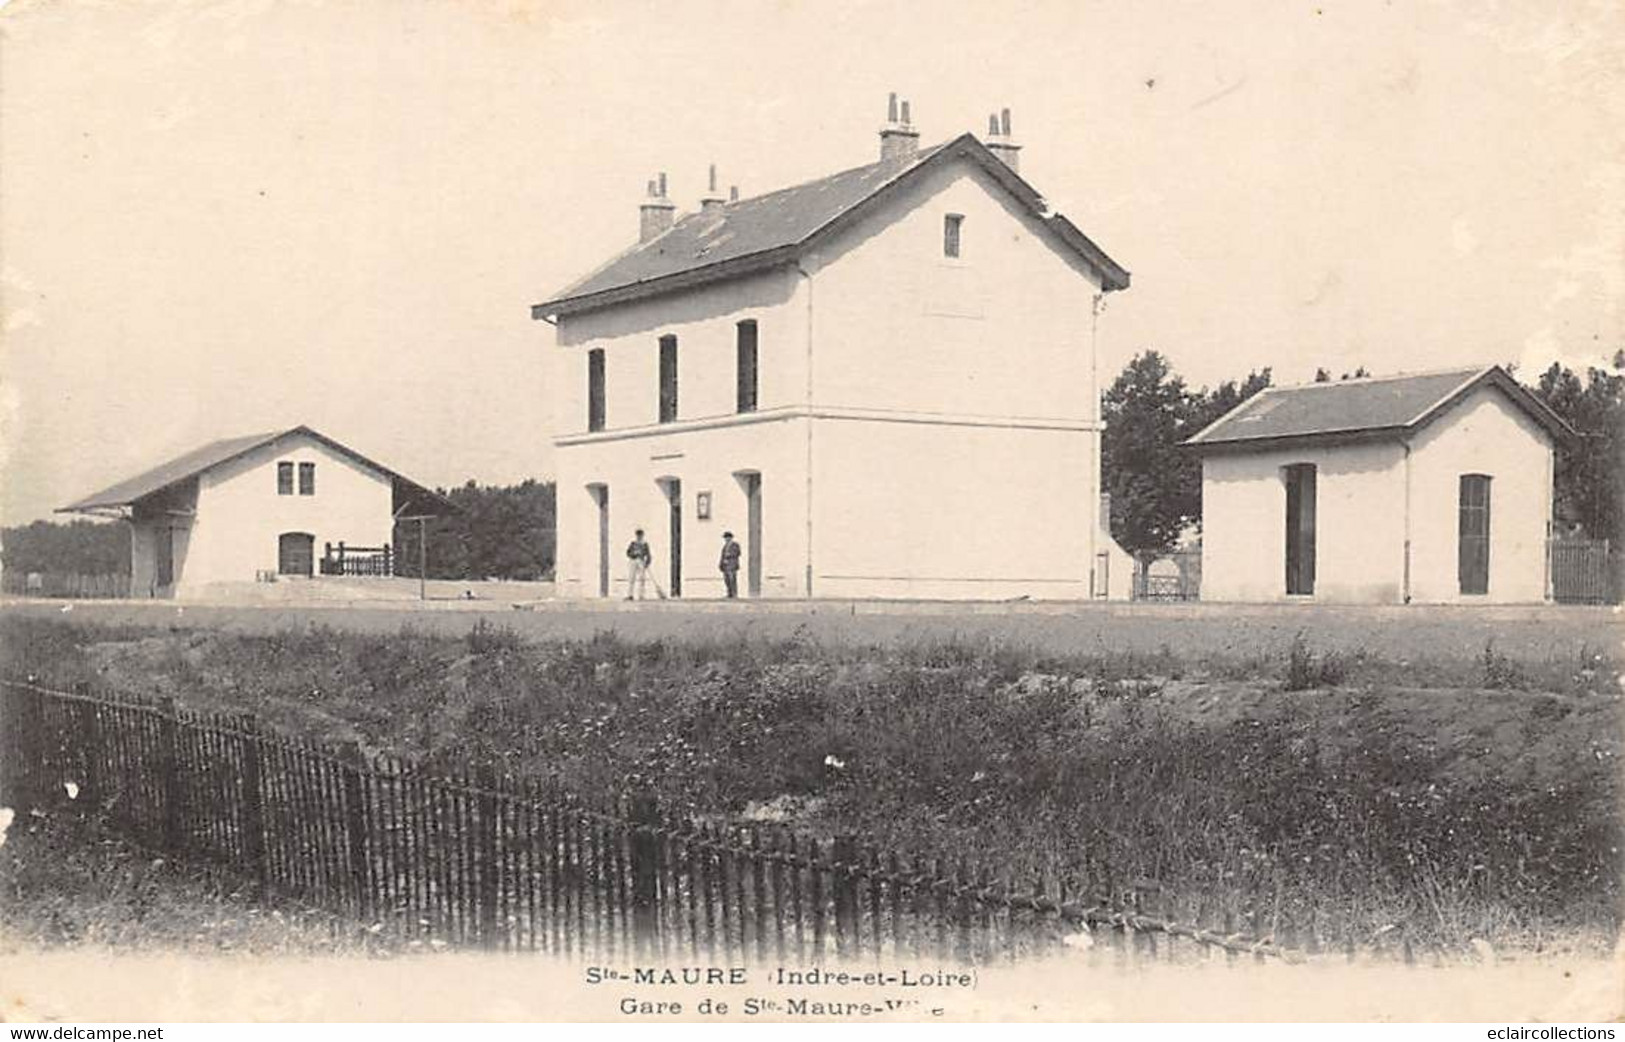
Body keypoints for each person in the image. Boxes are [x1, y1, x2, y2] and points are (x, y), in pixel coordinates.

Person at [625, 528, 652, 600]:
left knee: (642, 579)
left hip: (641, 561)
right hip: (633, 561)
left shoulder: (645, 544)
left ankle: (641, 595)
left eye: (640, 535)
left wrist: (647, 563)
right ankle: (630, 595)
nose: (639, 537)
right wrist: (633, 554)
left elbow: (648, 555)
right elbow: (628, 553)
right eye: (638, 535)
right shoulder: (633, 544)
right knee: (631, 578)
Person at [718, 531, 741, 599]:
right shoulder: (725, 546)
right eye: (725, 538)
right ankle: (729, 593)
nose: (726, 539)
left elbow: (738, 553)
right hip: (726, 566)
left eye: (727, 538)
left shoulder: (735, 545)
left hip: (732, 565)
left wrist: (730, 555)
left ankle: (734, 593)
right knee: (727, 580)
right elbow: (722, 556)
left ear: (730, 538)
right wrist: (721, 564)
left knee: (732, 579)